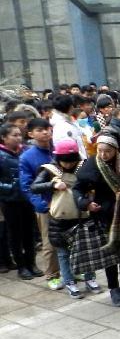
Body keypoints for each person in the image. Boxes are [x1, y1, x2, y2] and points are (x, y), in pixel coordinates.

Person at [74, 133, 120, 306]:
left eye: (108, 151)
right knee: (111, 255)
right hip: (105, 216)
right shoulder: (91, 165)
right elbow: (78, 189)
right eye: (100, 151)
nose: (103, 155)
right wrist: (86, 203)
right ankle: (114, 289)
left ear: (116, 150)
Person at [29, 139, 91, 298]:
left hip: (81, 217)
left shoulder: (82, 166)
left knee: (84, 250)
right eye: (65, 161)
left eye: (72, 161)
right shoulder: (49, 170)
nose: (69, 165)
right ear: (58, 158)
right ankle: (69, 281)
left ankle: (89, 278)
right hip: (59, 220)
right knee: (62, 253)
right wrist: (53, 185)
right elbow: (34, 187)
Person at [20, 118, 61, 289]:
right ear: (30, 134)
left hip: (65, 202)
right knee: (49, 241)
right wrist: (41, 204)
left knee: (70, 238)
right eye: (39, 130)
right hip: (46, 205)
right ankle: (52, 274)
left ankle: (71, 269)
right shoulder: (27, 157)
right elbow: (26, 185)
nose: (45, 132)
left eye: (47, 128)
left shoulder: (58, 149)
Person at [0, 123, 41, 280]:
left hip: (28, 198)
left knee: (29, 233)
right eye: (14, 135)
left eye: (19, 135)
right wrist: (9, 187)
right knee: (15, 234)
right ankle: (21, 266)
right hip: (10, 201)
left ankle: (32, 263)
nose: (18, 138)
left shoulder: (26, 151)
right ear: (4, 138)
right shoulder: (2, 155)